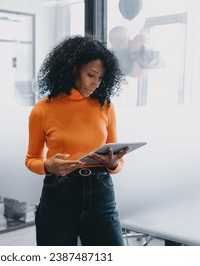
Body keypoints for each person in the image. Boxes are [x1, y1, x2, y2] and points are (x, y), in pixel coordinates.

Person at [25, 35, 128, 246]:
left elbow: (119, 161)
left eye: (100, 78)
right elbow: (31, 160)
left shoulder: (105, 105)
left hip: (100, 194)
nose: (96, 84)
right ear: (73, 69)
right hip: (59, 196)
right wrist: (47, 166)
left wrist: (114, 164)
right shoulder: (42, 110)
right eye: (91, 75)